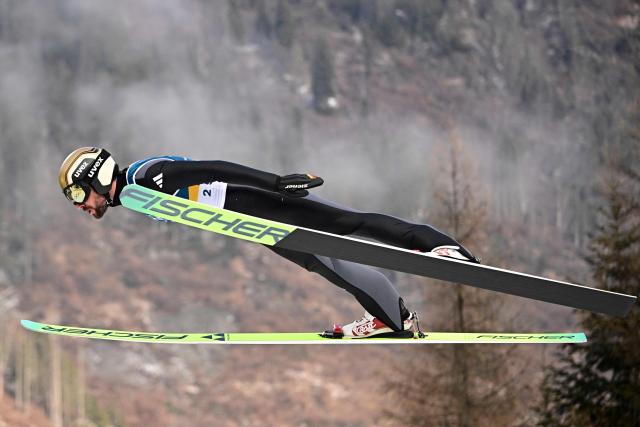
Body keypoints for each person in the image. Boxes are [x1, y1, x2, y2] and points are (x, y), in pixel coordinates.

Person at [58, 147, 480, 338]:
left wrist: (276, 182)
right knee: (328, 265)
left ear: (95, 178)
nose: (80, 206)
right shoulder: (133, 193)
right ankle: (393, 317)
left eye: (79, 194)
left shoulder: (146, 178)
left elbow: (215, 168)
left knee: (351, 225)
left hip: (265, 202)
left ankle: (441, 246)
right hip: (253, 223)